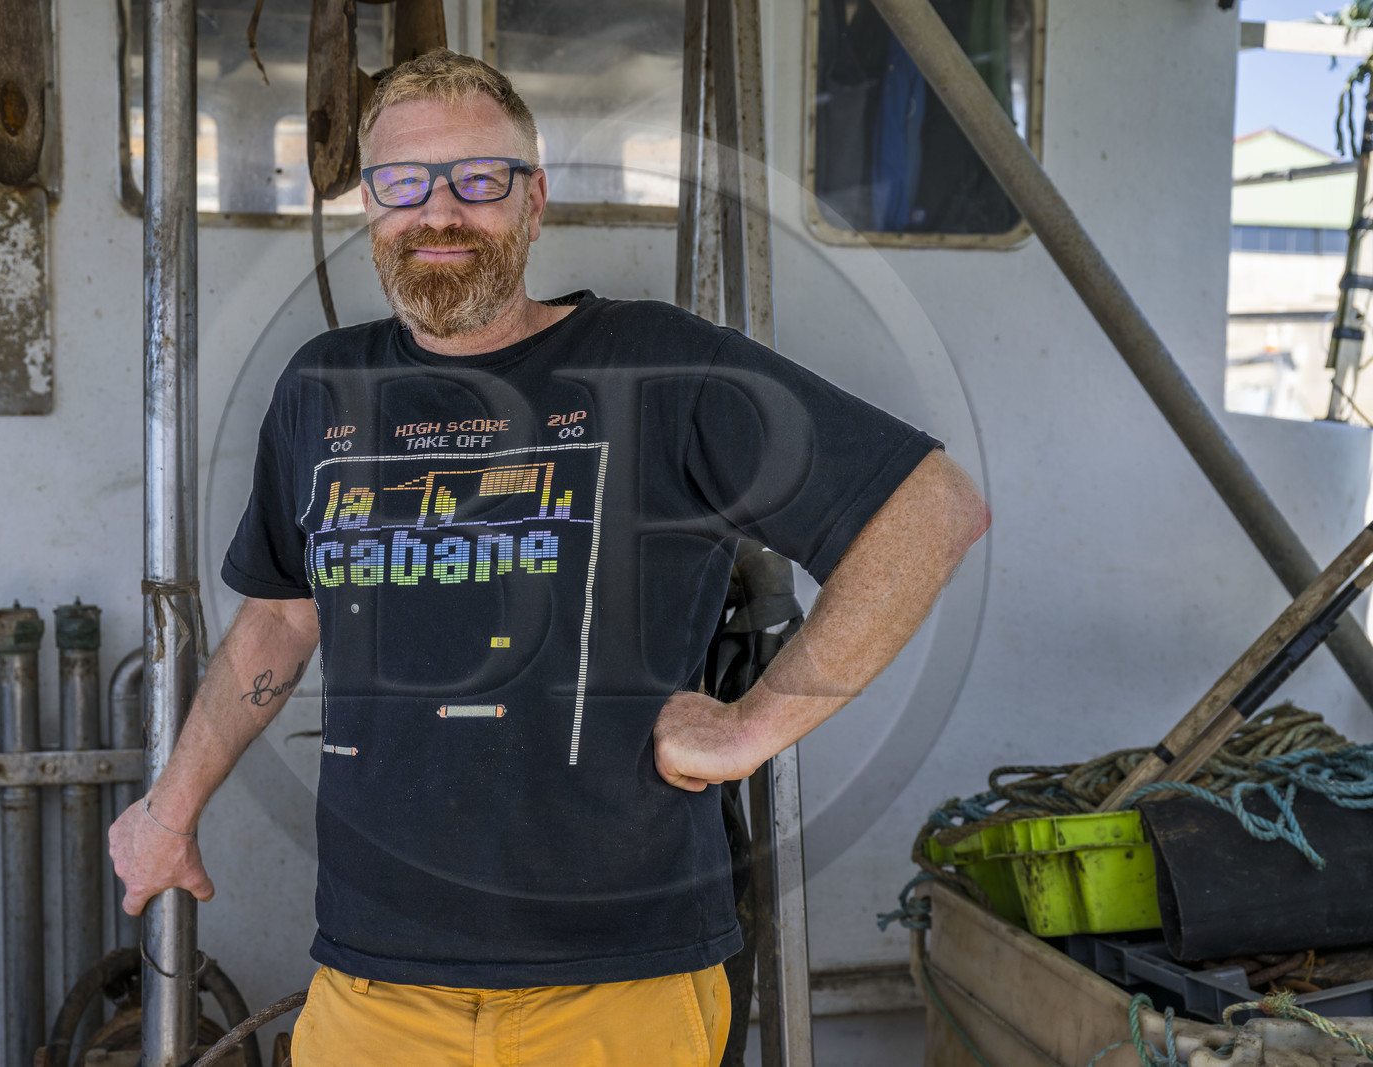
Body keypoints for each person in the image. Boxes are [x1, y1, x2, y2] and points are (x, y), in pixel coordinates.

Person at [109, 48, 989, 1067]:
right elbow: (279, 615)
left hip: (624, 986)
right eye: (404, 183)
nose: (440, 212)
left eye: (478, 180)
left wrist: (755, 726)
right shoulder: (320, 388)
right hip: (375, 979)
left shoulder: (661, 366)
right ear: (370, 208)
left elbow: (931, 510)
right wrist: (168, 808)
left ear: (534, 202)